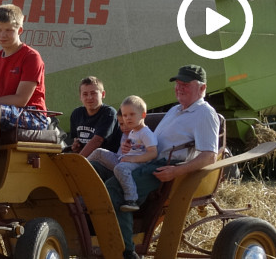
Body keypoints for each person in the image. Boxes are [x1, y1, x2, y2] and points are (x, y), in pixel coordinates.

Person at [90, 64, 220, 259]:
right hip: (145, 159)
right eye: (177, 83)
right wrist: (130, 147)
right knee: (94, 170)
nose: (179, 88)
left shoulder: (204, 114)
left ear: (202, 88)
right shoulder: (175, 110)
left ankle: (126, 251)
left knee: (114, 188)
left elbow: (209, 155)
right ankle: (91, 234)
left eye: (185, 84)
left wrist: (176, 172)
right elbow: (148, 140)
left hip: (164, 167)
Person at [0, 4, 48, 193]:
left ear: (19, 30)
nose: (2, 35)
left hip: (33, 115)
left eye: (8, 31)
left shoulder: (31, 57)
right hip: (6, 112)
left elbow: (21, 99)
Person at [86, 95, 158, 212]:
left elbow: (153, 153)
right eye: (125, 116)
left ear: (143, 115)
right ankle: (80, 168)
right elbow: (132, 149)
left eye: (132, 114)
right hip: (124, 160)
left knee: (120, 169)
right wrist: (126, 150)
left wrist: (133, 159)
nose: (127, 118)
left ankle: (131, 200)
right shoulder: (133, 132)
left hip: (139, 164)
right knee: (99, 152)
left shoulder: (145, 133)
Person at [69, 76, 120, 157]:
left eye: (93, 93)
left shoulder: (109, 113)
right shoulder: (76, 113)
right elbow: (76, 139)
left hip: (106, 160)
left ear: (103, 94)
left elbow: (97, 141)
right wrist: (76, 146)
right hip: (86, 158)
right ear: (80, 97)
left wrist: (78, 162)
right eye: (85, 94)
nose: (89, 97)